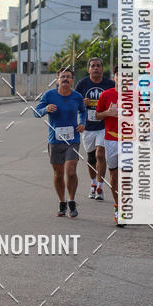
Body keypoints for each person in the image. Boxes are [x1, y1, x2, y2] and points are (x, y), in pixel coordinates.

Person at [34, 67, 86, 218]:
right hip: (55, 140)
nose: (65, 79)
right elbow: (36, 112)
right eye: (62, 76)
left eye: (68, 77)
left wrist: (82, 123)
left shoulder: (77, 96)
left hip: (72, 139)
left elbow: (83, 111)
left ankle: (72, 201)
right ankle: (62, 202)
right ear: (57, 80)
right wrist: (45, 109)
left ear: (72, 80)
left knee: (70, 171)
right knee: (58, 173)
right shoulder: (49, 95)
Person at [75, 57, 115, 200]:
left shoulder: (110, 84)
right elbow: (74, 102)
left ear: (102, 68)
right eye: (93, 66)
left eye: (98, 65)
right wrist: (81, 103)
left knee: (100, 154)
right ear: (88, 69)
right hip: (88, 126)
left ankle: (100, 186)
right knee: (91, 157)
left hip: (104, 125)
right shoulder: (82, 84)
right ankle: (92, 184)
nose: (96, 68)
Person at [95, 66, 122, 226]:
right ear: (115, 76)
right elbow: (97, 115)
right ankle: (118, 207)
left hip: (130, 140)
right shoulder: (106, 95)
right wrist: (108, 113)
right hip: (111, 140)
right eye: (119, 74)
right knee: (115, 176)